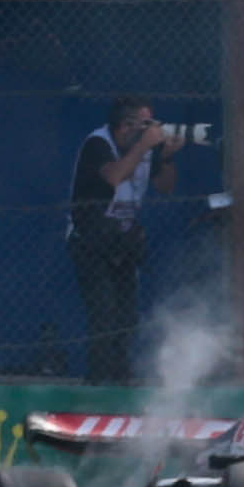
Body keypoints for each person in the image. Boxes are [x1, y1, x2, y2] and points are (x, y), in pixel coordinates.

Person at [66, 95, 181, 385]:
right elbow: (113, 177)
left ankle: (121, 376)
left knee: (127, 316)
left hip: (123, 239)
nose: (152, 130)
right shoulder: (99, 143)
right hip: (89, 237)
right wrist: (144, 145)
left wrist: (165, 155)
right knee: (103, 313)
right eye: (146, 124)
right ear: (127, 126)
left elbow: (166, 187)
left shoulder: (144, 146)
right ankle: (99, 382)